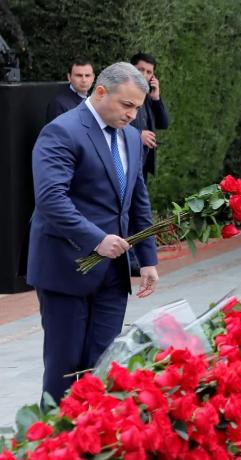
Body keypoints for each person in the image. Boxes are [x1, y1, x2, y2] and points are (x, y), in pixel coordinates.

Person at [27, 62, 159, 403]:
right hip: (65, 268)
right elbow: (50, 199)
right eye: (126, 105)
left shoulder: (130, 137)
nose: (132, 115)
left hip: (113, 277)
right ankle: (52, 448)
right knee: (66, 371)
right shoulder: (61, 131)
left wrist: (146, 259)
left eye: (138, 109)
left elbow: (137, 201)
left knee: (103, 366)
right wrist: (96, 240)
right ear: (101, 92)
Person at [130, 52, 170, 182]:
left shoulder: (147, 95)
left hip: (142, 164)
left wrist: (156, 98)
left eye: (149, 72)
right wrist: (137, 135)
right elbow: (109, 123)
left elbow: (163, 124)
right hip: (123, 162)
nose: (144, 75)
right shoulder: (118, 92)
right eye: (140, 70)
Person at [45, 57, 94, 123]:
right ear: (69, 77)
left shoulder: (95, 101)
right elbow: (54, 132)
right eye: (79, 75)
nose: (84, 80)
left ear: (93, 77)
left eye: (87, 75)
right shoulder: (58, 104)